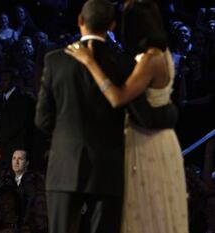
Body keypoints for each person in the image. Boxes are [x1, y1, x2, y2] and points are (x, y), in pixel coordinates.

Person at [35, 0, 179, 232]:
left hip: (64, 167)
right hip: (107, 169)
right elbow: (142, 116)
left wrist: (66, 138)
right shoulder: (124, 63)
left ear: (80, 20)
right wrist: (170, 112)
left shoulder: (55, 60)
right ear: (112, 25)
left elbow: (42, 120)